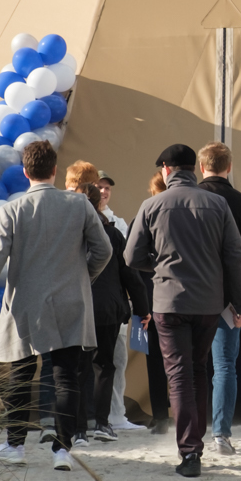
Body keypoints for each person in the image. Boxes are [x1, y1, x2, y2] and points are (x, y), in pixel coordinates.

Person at [0, 140, 112, 472]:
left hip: (25, 305)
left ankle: (15, 444)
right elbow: (104, 251)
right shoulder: (80, 206)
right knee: (65, 376)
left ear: (25, 172)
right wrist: (81, 278)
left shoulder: (11, 210)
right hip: (69, 303)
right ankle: (63, 448)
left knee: (20, 375)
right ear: (55, 170)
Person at [123, 143, 241, 478]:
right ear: (193, 168)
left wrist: (159, 266)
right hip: (209, 302)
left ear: (166, 169)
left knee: (178, 374)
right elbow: (235, 257)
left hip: (168, 300)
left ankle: (190, 450)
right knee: (198, 370)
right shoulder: (218, 204)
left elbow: (131, 256)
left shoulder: (152, 204)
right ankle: (197, 438)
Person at [67, 162, 150, 441]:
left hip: (78, 306)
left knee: (78, 367)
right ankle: (102, 423)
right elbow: (130, 275)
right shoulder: (112, 232)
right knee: (105, 365)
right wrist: (143, 309)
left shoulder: (68, 235)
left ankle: (78, 429)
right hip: (108, 309)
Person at [195, 142, 241, 456]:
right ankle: (220, 434)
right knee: (224, 367)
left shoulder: (185, 201)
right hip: (229, 299)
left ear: (201, 166)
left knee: (190, 366)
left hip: (189, 296)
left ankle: (191, 431)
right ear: (229, 167)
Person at [97, 173, 148, 432]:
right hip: (91, 306)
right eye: (100, 187)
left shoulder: (119, 224)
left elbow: (130, 267)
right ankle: (91, 420)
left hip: (114, 306)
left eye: (107, 188)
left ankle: (115, 414)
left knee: (117, 361)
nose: (104, 192)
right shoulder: (79, 221)